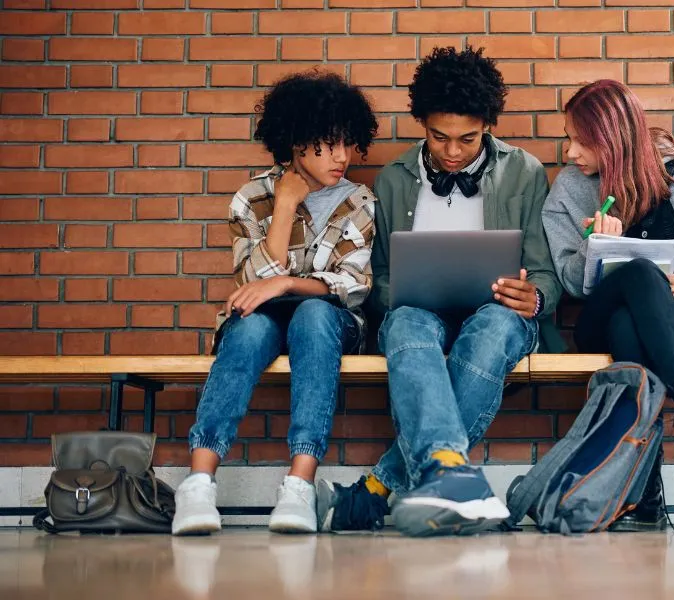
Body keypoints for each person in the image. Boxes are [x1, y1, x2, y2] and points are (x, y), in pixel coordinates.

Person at [315, 46, 562, 537]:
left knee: (492, 326)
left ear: (488, 125)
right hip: (418, 314)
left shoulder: (525, 172)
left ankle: (382, 489)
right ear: (421, 124)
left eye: (467, 139)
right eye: (438, 137)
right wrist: (402, 290)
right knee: (404, 320)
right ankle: (451, 477)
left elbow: (546, 274)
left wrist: (533, 298)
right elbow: (377, 279)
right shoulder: (392, 180)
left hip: (498, 314)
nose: (452, 152)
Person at [172, 71, 378, 535]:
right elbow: (250, 286)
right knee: (246, 328)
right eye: (326, 145)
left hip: (329, 320)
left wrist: (284, 284)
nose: (341, 157)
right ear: (295, 141)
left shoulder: (361, 201)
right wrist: (284, 206)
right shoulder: (253, 198)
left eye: (347, 143)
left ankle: (299, 485)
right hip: (262, 318)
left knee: (313, 314)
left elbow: (352, 286)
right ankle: (199, 483)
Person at [542, 79, 674, 531]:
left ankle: (645, 487)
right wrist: (594, 247)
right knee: (635, 272)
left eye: (580, 140)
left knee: (629, 328)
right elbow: (570, 281)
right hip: (595, 316)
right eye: (568, 137)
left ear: (611, 138)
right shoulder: (569, 191)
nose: (570, 151)